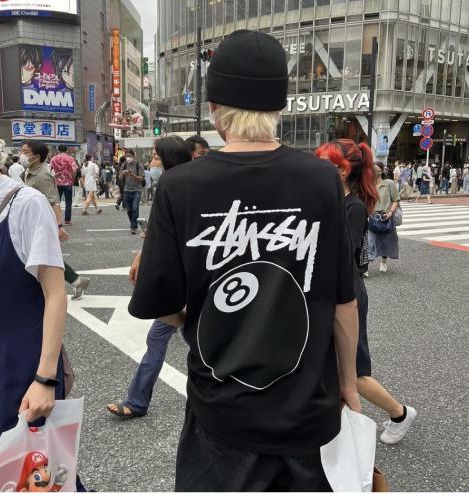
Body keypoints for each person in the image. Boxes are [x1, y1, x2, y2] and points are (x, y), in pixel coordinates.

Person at [129, 30, 360, 492]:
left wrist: (201, 319)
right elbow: (343, 303)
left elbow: (162, 304)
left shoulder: (180, 186)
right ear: (278, 106)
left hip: (221, 416)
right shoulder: (321, 180)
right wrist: (349, 385)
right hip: (308, 416)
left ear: (216, 108)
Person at [0, 93, 67, 491]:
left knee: (28, 483)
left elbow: (55, 293)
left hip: (16, 375)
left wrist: (45, 378)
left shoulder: (24, 203)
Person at [316, 139, 417, 445]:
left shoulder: (353, 207)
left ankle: (400, 414)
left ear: (342, 170)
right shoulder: (334, 201)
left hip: (346, 296)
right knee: (334, 365)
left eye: (323, 162)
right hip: (333, 293)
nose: (316, 168)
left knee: (355, 371)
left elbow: (340, 258)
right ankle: (336, 428)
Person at [107, 136, 192, 419]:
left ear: (168, 159)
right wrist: (141, 256)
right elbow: (160, 231)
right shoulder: (180, 184)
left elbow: (166, 234)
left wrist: (145, 263)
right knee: (170, 340)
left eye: (155, 157)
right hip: (185, 281)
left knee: (177, 340)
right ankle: (137, 400)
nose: (151, 162)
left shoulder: (175, 186)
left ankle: (138, 401)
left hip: (183, 282)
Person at [21, 140, 90, 300]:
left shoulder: (43, 176)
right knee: (43, 256)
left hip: (41, 224)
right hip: (31, 223)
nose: (21, 155)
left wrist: (59, 226)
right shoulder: (28, 172)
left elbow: (54, 202)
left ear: (37, 157)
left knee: (42, 256)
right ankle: (77, 281)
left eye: (25, 152)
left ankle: (72, 283)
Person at [368, 163, 400, 273]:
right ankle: (365, 267)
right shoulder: (368, 184)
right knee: (369, 241)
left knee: (386, 241)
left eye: (377, 169)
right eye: (372, 169)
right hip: (372, 217)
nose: (374, 171)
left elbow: (396, 200)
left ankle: (383, 262)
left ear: (381, 171)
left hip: (385, 217)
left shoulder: (389, 183)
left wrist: (390, 213)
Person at [49, 144, 77, 225]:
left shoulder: (54, 158)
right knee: (68, 202)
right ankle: (67, 220)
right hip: (68, 182)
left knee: (56, 202)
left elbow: (49, 169)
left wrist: (54, 177)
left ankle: (56, 219)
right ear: (66, 150)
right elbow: (75, 170)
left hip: (57, 182)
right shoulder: (70, 158)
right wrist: (72, 179)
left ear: (58, 150)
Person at [119, 149, 144, 234]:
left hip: (137, 189)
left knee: (135, 207)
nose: (128, 158)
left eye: (130, 156)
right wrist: (123, 173)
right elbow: (120, 178)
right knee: (129, 210)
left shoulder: (138, 165)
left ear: (133, 156)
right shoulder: (124, 164)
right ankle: (133, 223)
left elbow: (141, 179)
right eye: (127, 156)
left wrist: (132, 174)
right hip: (127, 190)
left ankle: (133, 227)